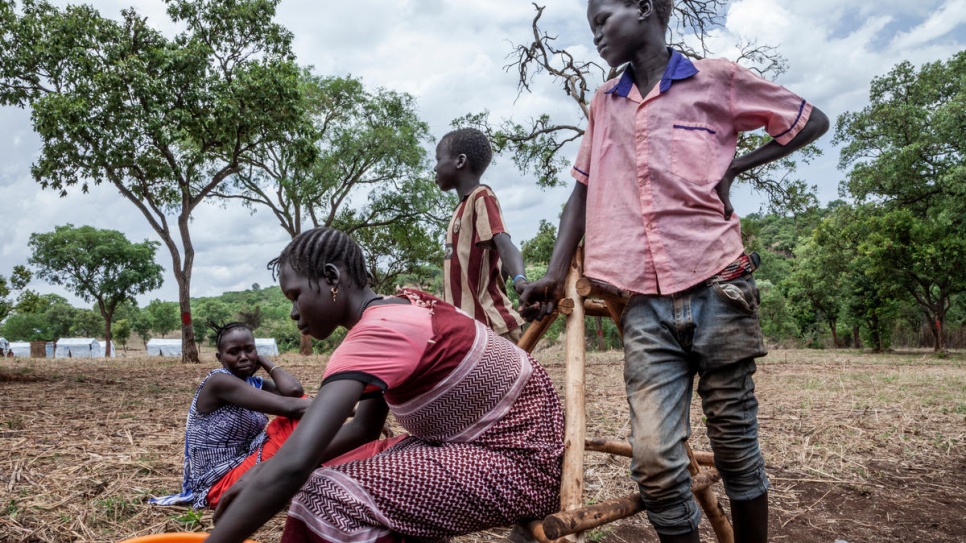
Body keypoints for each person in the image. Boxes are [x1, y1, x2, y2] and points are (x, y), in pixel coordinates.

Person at [519, 1, 830, 542]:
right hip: (642, 302)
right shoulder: (604, 102)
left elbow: (810, 121)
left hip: (718, 284)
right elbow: (581, 192)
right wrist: (551, 271)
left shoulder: (718, 79)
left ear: (643, 8)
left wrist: (735, 166)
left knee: (734, 443)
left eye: (602, 18)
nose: (594, 34)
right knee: (657, 463)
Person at [205, 227, 564, 543]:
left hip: (524, 466)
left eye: (295, 295)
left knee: (325, 495)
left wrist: (262, 476)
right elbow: (363, 428)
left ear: (331, 278)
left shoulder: (380, 330)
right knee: (329, 475)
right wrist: (264, 470)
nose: (293, 312)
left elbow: (296, 463)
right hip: (493, 448)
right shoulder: (399, 309)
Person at [150, 321, 312, 509]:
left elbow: (294, 392)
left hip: (245, 464)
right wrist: (348, 409)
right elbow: (292, 407)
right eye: (234, 352)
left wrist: (264, 361)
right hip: (220, 484)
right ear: (220, 357)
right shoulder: (219, 382)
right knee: (302, 419)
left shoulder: (254, 382)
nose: (243, 357)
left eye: (249, 350)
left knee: (305, 411)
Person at [435, 127, 528, 342]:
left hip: (490, 328)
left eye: (439, 159)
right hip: (465, 329)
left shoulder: (482, 196)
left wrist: (520, 281)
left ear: (459, 161)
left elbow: (503, 243)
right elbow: (495, 259)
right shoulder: (460, 209)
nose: (435, 167)